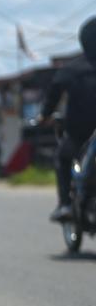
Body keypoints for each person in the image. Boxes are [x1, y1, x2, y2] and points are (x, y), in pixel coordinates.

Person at [38, 17, 96, 222]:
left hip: (81, 133)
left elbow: (53, 95)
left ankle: (65, 205)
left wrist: (44, 116)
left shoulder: (72, 69)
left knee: (63, 159)